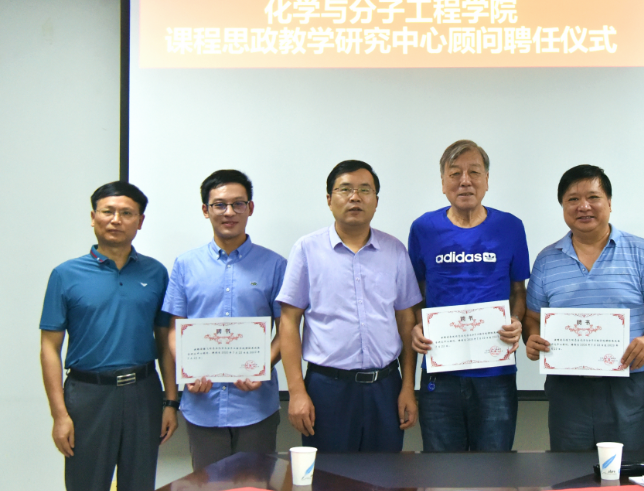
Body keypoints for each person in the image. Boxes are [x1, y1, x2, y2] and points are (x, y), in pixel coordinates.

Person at [523, 164, 644, 451]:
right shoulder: (546, 260)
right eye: (573, 199)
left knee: (629, 470)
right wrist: (531, 338)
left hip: (628, 386)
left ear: (609, 202)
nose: (583, 206)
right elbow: (532, 317)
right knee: (569, 471)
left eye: (593, 197)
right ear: (563, 206)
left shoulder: (641, 252)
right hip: (567, 388)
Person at [39, 182, 178, 491]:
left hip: (144, 391)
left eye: (126, 213)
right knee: (86, 484)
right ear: (93, 217)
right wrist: (59, 415)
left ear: (140, 221)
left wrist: (171, 401)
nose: (116, 220)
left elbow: (165, 340)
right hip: (88, 394)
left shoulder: (156, 272)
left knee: (139, 483)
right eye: (108, 211)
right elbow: (49, 348)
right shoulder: (65, 274)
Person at [278, 160, 422, 452]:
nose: (355, 197)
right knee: (329, 474)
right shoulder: (306, 249)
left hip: (386, 387)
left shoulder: (395, 250)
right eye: (345, 189)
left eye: (365, 190)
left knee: (385, 473)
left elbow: (406, 320)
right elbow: (289, 321)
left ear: (376, 201)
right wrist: (296, 391)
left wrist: (408, 386)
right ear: (329, 199)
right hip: (327, 388)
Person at [408, 139, 528, 451]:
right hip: (440, 371)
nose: (465, 181)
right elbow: (416, 292)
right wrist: (417, 325)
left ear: (486, 180)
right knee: (442, 469)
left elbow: (518, 290)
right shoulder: (423, 228)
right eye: (455, 173)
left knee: (494, 468)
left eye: (474, 172)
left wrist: (516, 320)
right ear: (443, 182)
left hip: (495, 372)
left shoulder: (511, 227)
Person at [163, 169, 287, 470]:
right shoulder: (185, 265)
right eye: (219, 204)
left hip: (256, 406)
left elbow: (287, 330)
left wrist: (261, 366)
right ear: (206, 210)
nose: (229, 212)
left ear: (250, 208)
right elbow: (175, 329)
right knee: (208, 485)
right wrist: (189, 369)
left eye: (238, 204)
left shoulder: (275, 265)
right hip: (202, 406)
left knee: (255, 485)